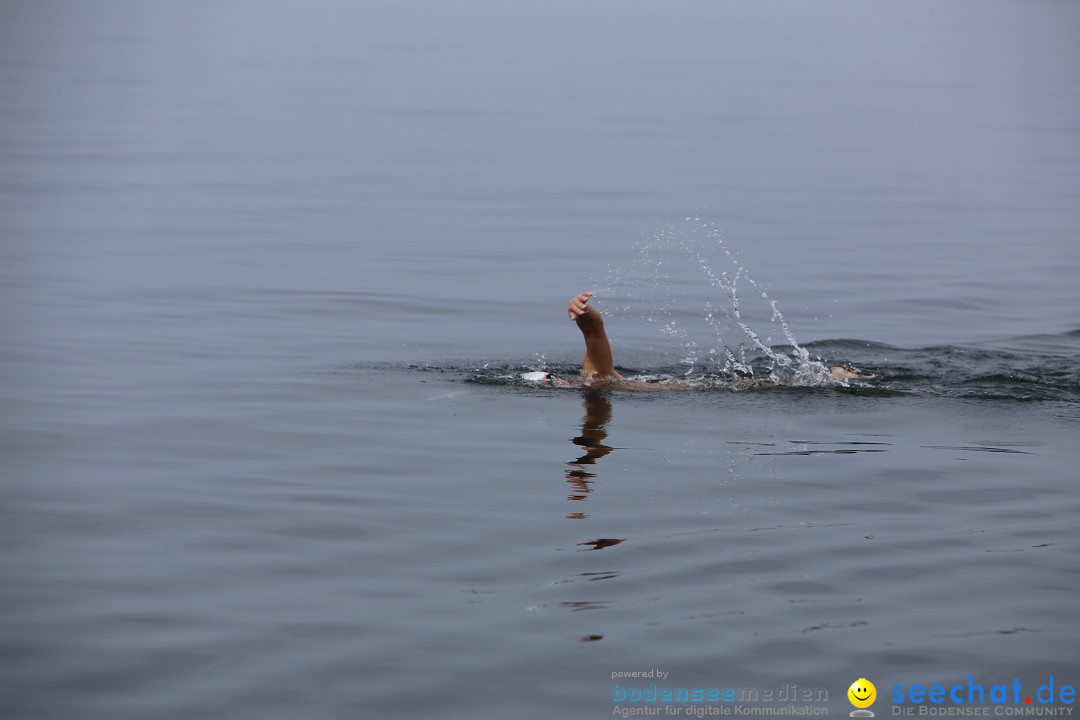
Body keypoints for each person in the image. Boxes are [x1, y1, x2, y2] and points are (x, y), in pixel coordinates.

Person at [552, 291, 861, 389]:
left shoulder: (595, 379)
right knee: (766, 384)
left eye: (553, 382)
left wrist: (583, 313)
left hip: (695, 390)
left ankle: (831, 378)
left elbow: (595, 332)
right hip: (697, 389)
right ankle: (830, 377)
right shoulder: (597, 381)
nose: (557, 384)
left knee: (769, 385)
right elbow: (594, 333)